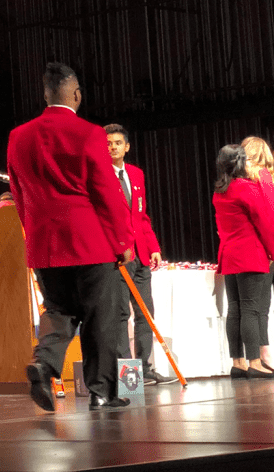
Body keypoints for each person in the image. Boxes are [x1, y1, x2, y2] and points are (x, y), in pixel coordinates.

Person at [7, 62, 134, 412]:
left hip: (44, 243)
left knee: (59, 310)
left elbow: (18, 192)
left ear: (45, 95)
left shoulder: (19, 136)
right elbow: (105, 192)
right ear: (76, 94)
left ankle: (45, 364)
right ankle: (101, 391)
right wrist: (123, 242)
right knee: (100, 317)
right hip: (89, 241)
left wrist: (33, 231)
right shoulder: (88, 133)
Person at [104, 124, 177, 386]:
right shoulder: (100, 175)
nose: (112, 147)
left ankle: (145, 368)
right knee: (122, 314)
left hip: (142, 254)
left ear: (127, 146)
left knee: (145, 313)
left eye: (117, 143)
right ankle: (129, 376)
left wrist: (154, 245)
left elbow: (141, 215)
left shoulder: (136, 174)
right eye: (108, 143)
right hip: (118, 257)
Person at [212, 144, 274, 379]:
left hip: (229, 253)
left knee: (235, 309)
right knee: (251, 308)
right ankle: (255, 362)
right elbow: (266, 224)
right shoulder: (246, 188)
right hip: (250, 253)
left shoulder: (220, 190)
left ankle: (238, 362)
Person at [240, 136, 274, 370]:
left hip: (251, 247)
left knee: (253, 307)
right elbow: (267, 216)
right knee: (260, 307)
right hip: (263, 247)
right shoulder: (264, 177)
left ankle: (256, 357)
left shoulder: (236, 180)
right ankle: (261, 356)